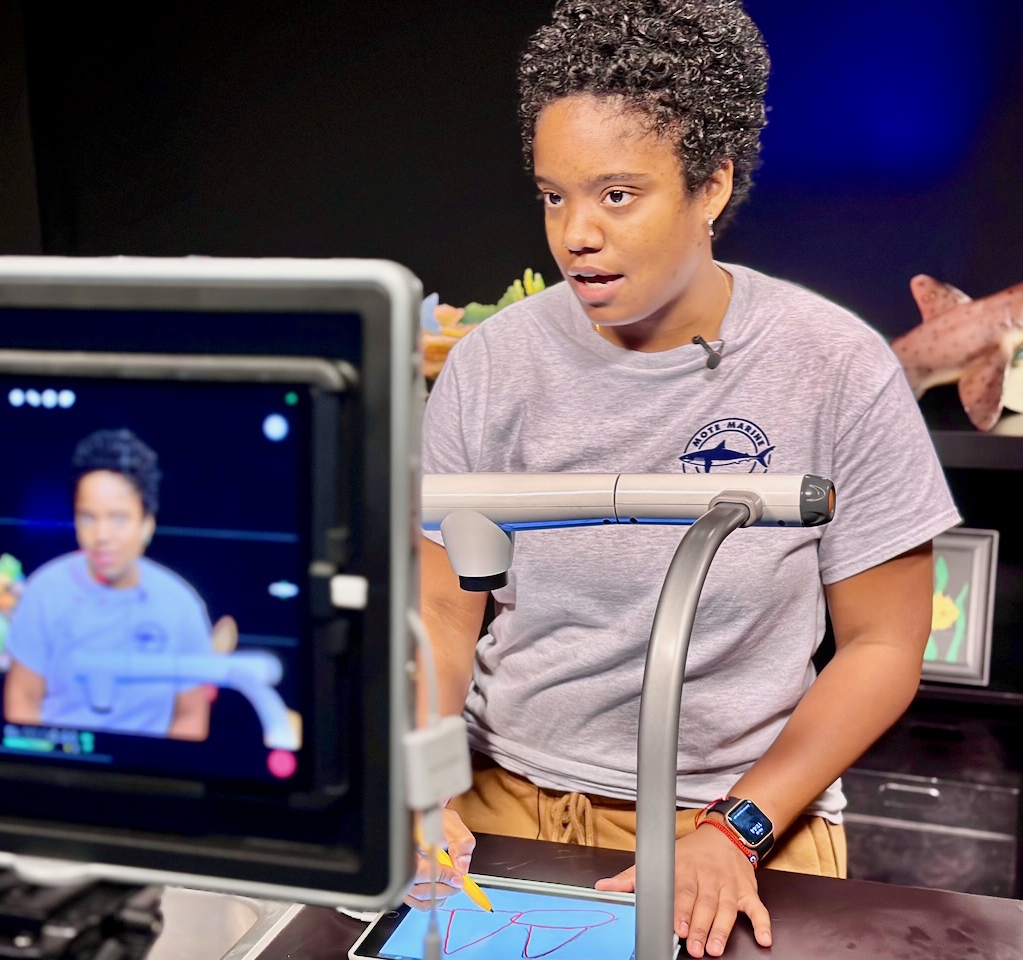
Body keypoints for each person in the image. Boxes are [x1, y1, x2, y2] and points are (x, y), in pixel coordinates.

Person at [416, 2, 961, 957]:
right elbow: (445, 612)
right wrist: (416, 778)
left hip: (741, 815)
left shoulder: (831, 364)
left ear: (711, 186)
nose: (575, 233)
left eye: (617, 195)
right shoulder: (491, 366)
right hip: (500, 802)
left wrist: (737, 832)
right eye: (553, 195)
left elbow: (885, 644)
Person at [3, 428, 215, 740]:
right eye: (88, 518)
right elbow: (22, 698)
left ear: (147, 524)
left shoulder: (181, 605)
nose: (101, 536)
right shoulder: (44, 591)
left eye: (118, 519)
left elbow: (191, 715)